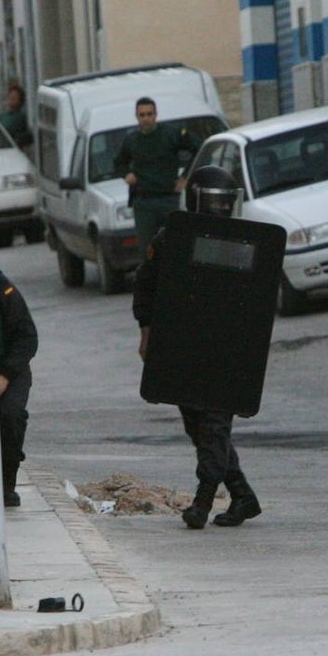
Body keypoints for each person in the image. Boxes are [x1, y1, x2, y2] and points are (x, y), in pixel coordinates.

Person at [132, 165, 262, 530]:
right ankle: (243, 496)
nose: (220, 210)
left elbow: (256, 298)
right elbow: (146, 285)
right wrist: (147, 330)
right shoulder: (172, 238)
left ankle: (202, 502)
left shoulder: (244, 242)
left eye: (226, 203)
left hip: (227, 352)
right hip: (184, 349)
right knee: (199, 429)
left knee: (215, 428)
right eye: (214, 202)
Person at [115, 96, 202, 252]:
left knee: (175, 247)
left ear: (156, 115)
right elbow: (118, 162)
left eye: (149, 114)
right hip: (144, 202)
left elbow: (198, 148)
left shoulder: (171, 134)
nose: (146, 119)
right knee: (148, 251)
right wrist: (126, 174)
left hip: (169, 199)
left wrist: (185, 177)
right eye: (142, 115)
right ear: (136, 117)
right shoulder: (131, 140)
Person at [0, 268, 38, 507]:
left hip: (8, 369)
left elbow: (26, 336)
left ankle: (6, 484)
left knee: (10, 416)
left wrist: (5, 375)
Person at [0, 83, 32, 149]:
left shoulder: (21, 117)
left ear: (20, 100)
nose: (11, 98)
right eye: (10, 96)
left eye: (15, 97)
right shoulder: (2, 116)